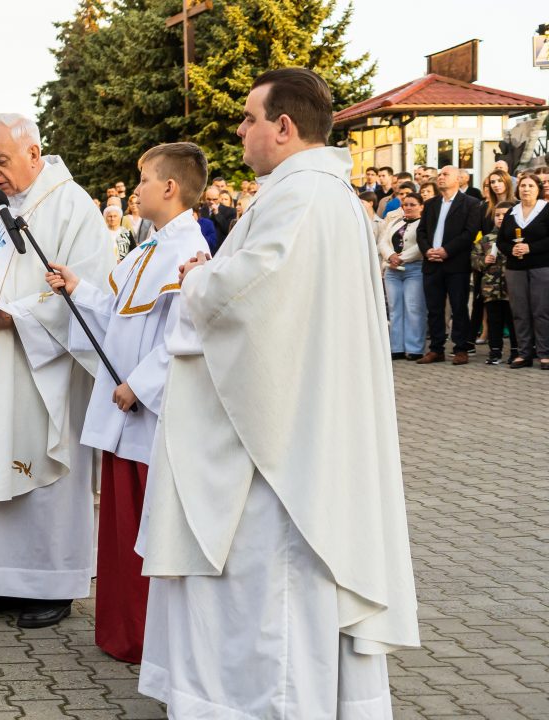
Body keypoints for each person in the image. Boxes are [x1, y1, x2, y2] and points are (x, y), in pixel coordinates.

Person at [139, 68, 419, 716]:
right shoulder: (321, 195)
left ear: (284, 127)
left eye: (249, 118)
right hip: (305, 422)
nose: (240, 130)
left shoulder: (301, 199)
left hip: (280, 452)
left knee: (276, 593)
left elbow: (247, 299)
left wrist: (198, 279)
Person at [0, 113, 114, 630]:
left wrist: (17, 318)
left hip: (40, 370)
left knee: (39, 469)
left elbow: (91, 291)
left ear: (34, 153)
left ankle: (51, 585)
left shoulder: (72, 207)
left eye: (1, 160)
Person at [45, 141, 209, 664]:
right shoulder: (148, 247)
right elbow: (119, 313)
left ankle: (145, 636)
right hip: (123, 414)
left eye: (144, 180)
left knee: (145, 527)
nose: (135, 190)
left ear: (170, 187)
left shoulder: (190, 252)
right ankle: (121, 631)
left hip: (146, 414)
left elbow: (185, 334)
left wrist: (139, 385)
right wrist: (77, 288)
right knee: (120, 530)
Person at [417, 166, 482, 365]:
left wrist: (447, 250)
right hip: (432, 263)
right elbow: (421, 231)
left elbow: (470, 233)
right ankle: (436, 349)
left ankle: (461, 348)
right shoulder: (431, 204)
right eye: (439, 174)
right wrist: (427, 250)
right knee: (434, 308)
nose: (440, 177)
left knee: (459, 306)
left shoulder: (470, 203)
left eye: (445, 174)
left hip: (456, 264)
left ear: (458, 179)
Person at [496, 172, 549, 369]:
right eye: (523, 186)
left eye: (531, 186)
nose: (526, 189)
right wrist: (511, 249)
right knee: (520, 312)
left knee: (542, 311)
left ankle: (544, 353)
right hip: (515, 268)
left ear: (538, 189)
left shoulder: (546, 209)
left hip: (541, 266)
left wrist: (530, 248)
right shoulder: (512, 212)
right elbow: (501, 240)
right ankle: (524, 353)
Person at [379, 192, 427, 360]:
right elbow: (383, 241)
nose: (408, 207)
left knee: (413, 308)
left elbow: (421, 245)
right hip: (392, 271)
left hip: (414, 269)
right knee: (395, 309)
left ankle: (414, 348)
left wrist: (401, 258)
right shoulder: (395, 221)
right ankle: (396, 347)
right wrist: (390, 256)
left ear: (421, 206)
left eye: (412, 204)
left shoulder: (424, 223)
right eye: (405, 204)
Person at [474, 203, 518, 365]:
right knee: (494, 321)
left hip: (511, 289)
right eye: (497, 215)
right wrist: (483, 261)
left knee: (513, 321)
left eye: (504, 215)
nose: (500, 218)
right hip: (491, 289)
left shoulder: (517, 237)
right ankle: (495, 351)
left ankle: (516, 351)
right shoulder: (486, 239)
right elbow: (474, 259)